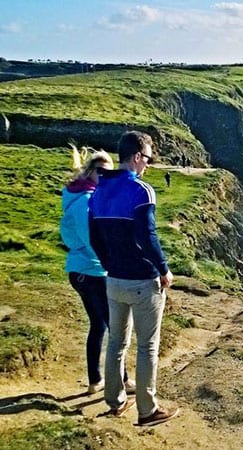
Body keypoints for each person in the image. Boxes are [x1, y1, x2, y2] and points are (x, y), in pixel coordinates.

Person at [89, 131, 178, 425]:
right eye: (148, 159)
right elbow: (147, 235)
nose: (149, 165)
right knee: (147, 346)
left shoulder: (98, 190)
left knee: (116, 342)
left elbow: (94, 236)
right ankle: (148, 410)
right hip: (142, 281)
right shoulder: (141, 190)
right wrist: (163, 269)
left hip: (113, 280)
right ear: (137, 157)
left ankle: (115, 402)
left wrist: (109, 264)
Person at [60, 147, 135, 395]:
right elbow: (92, 239)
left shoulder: (80, 196)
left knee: (99, 325)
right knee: (116, 328)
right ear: (90, 171)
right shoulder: (85, 202)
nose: (104, 175)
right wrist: (111, 265)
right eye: (100, 171)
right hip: (92, 272)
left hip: (81, 270)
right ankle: (121, 381)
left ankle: (95, 380)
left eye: (108, 172)